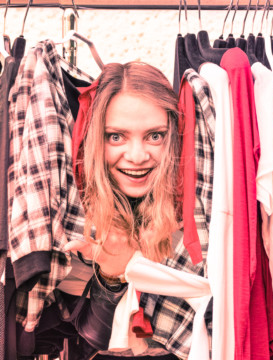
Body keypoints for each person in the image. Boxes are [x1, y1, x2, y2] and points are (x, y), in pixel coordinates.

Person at [63, 61, 187, 359]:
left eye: (154, 136)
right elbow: (95, 339)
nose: (137, 156)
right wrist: (110, 277)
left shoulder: (197, 212)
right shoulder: (78, 210)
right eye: (116, 136)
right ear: (96, 139)